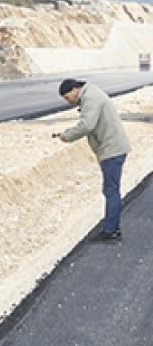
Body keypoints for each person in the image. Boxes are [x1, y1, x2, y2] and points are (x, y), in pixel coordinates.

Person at [54, 78, 131, 241]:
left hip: (112, 149)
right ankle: (112, 228)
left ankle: (110, 231)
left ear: (75, 89)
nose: (69, 102)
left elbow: (87, 125)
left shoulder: (90, 97)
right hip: (113, 148)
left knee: (111, 191)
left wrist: (67, 135)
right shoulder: (91, 94)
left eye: (68, 98)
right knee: (111, 189)